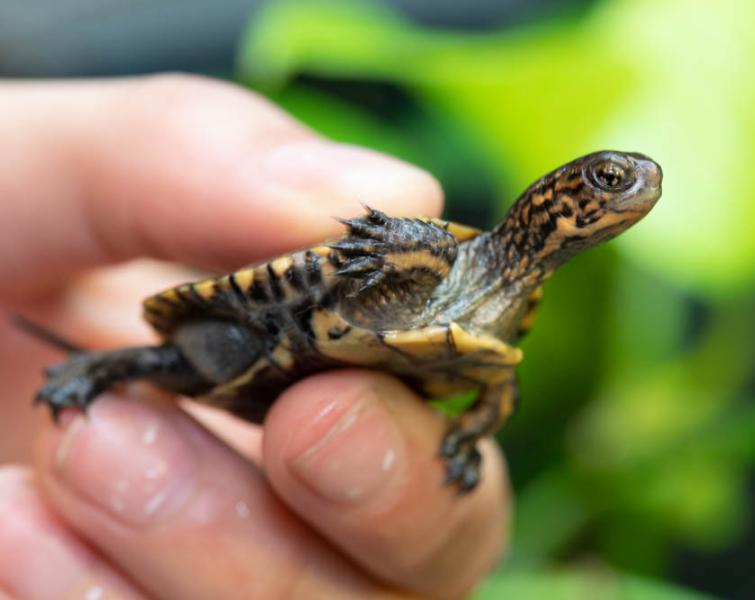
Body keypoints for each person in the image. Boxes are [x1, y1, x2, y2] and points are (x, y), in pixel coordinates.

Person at [0, 74, 509, 599]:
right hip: (268, 324)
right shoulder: (443, 261)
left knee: (349, 456)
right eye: (602, 180)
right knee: (196, 360)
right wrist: (420, 245)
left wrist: (466, 440)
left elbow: (496, 385)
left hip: (333, 400)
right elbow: (414, 246)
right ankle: (92, 368)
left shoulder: (497, 311)